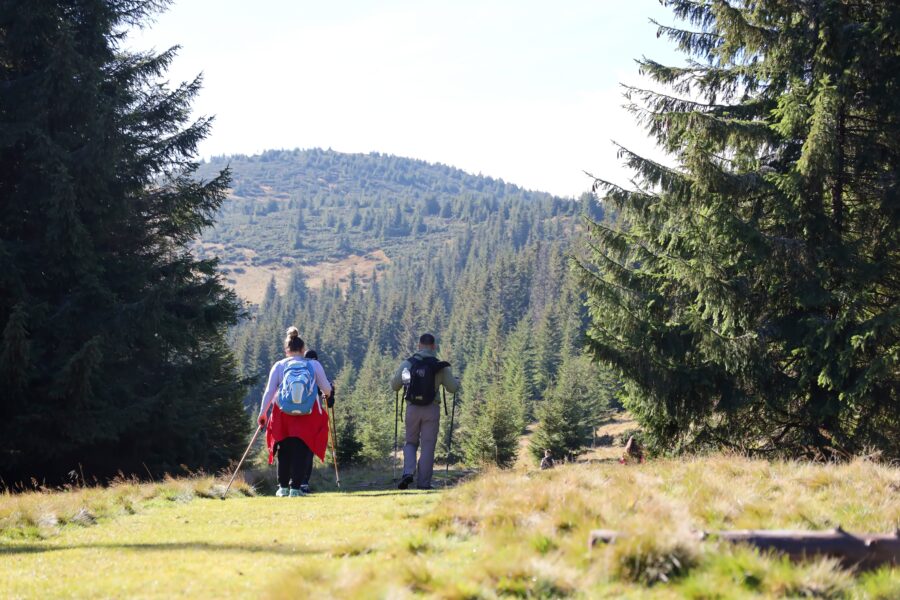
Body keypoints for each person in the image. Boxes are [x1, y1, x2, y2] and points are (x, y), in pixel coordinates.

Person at [258, 327, 332, 497]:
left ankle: (282, 488)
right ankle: (296, 488)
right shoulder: (313, 364)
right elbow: (326, 390)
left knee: (284, 448)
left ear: (287, 350)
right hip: (308, 413)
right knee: (302, 448)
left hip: (282, 413)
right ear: (303, 349)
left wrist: (263, 413)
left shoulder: (279, 365)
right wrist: (328, 392)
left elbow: (270, 392)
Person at [390, 333, 459, 490]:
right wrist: (456, 381)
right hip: (431, 409)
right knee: (428, 446)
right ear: (434, 347)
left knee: (410, 442)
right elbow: (453, 388)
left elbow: (395, 386)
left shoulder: (407, 364)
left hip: (412, 409)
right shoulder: (440, 366)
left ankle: (408, 472)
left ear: (419, 345)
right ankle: (423, 484)